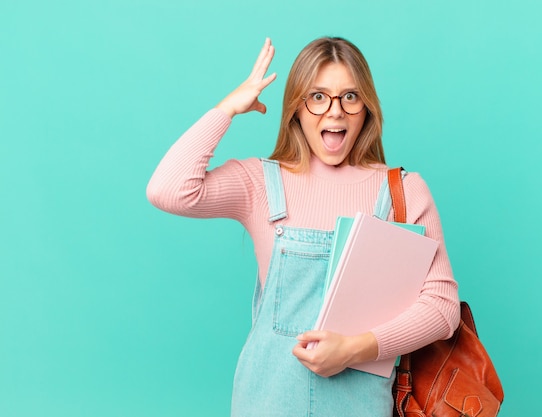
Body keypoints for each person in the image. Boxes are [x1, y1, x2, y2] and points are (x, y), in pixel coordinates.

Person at [147, 37, 460, 417]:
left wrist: (356, 348)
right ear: (296, 107)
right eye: (317, 96)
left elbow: (443, 310)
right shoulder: (260, 184)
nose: (335, 112)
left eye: (350, 96)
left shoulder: (402, 193)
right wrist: (227, 108)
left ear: (366, 108)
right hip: (264, 404)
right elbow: (167, 190)